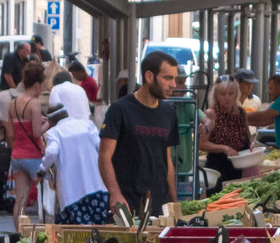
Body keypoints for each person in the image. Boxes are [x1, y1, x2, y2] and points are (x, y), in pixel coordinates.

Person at [99, 51, 181, 216]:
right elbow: (104, 156)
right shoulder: (119, 109)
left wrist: (174, 201)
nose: (174, 84)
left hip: (160, 206)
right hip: (126, 205)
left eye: (175, 78)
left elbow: (167, 159)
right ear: (149, 76)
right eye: (167, 78)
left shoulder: (169, 112)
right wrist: (115, 193)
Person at [43, 81, 107, 225]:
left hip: (72, 195)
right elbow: (100, 147)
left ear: (51, 121)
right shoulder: (87, 125)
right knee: (99, 231)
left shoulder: (55, 132)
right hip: (97, 188)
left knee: (75, 236)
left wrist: (43, 168)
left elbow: (52, 151)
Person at [6, 61, 49, 227]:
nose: (43, 88)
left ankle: (19, 235)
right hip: (33, 156)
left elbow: (10, 133)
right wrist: (50, 123)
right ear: (37, 84)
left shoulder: (13, 103)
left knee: (20, 200)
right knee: (45, 197)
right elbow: (37, 132)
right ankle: (44, 232)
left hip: (17, 156)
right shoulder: (35, 103)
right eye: (43, 84)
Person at [199, 78, 254, 184]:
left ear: (236, 94)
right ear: (216, 95)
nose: (227, 98)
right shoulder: (211, 114)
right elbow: (202, 144)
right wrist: (225, 148)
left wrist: (251, 143)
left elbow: (248, 135)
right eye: (223, 94)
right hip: (218, 168)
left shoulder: (241, 112)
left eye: (230, 94)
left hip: (240, 165)